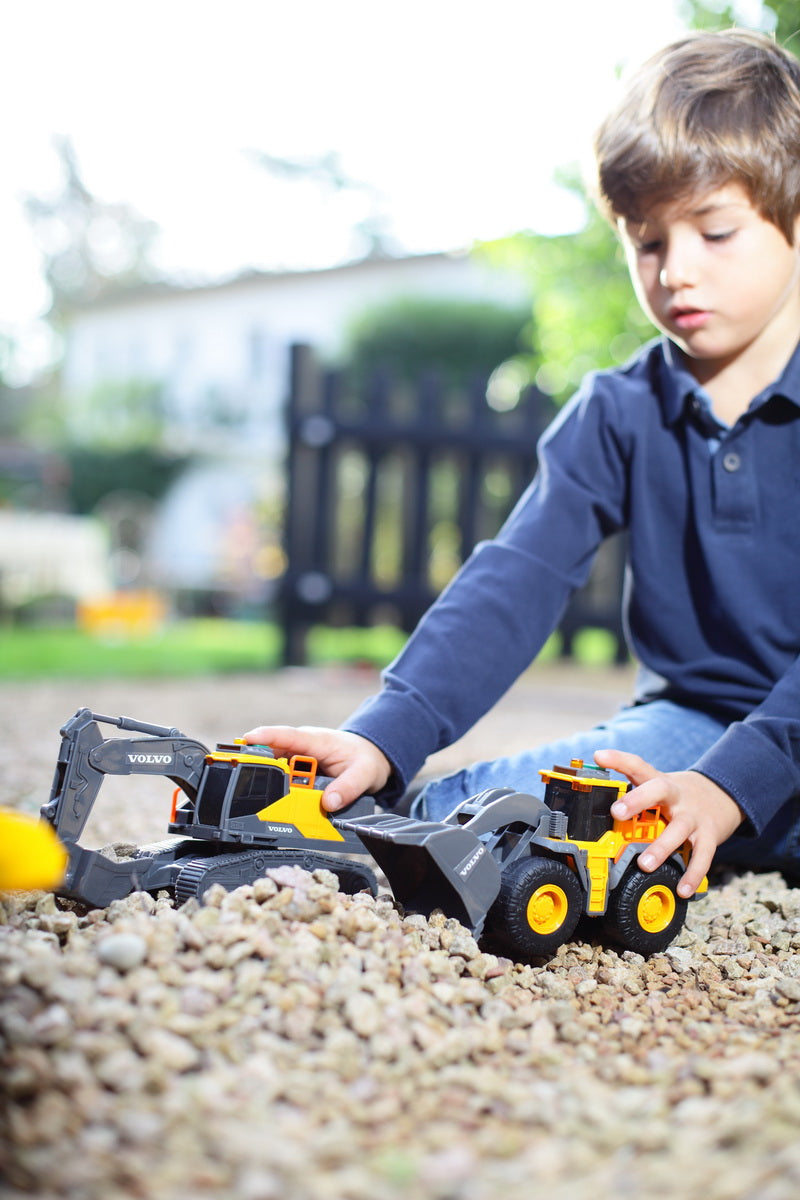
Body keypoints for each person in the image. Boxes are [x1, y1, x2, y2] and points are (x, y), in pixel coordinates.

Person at [246, 28, 800, 900]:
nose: (675, 271)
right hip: (687, 729)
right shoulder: (618, 411)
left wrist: (739, 784)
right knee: (472, 816)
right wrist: (387, 735)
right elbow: (515, 579)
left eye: (715, 230)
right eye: (647, 242)